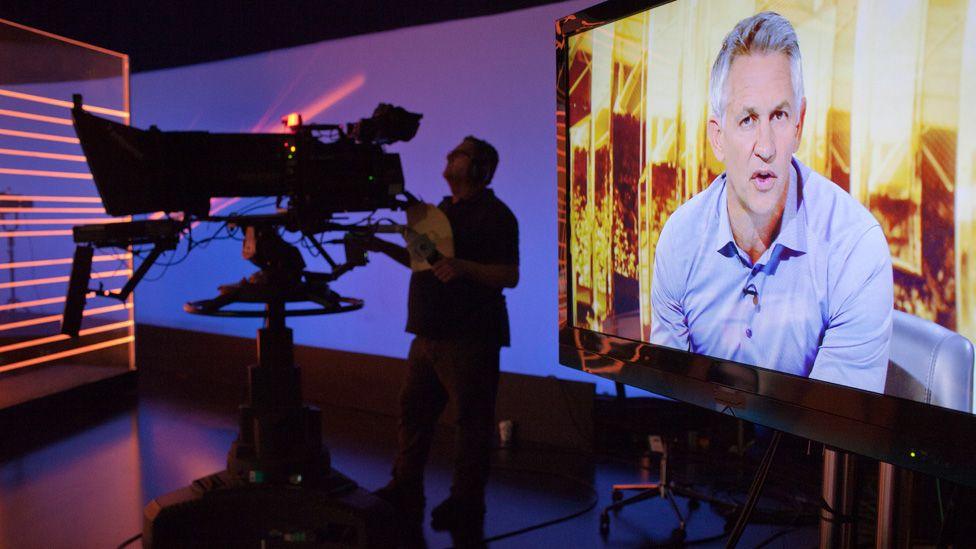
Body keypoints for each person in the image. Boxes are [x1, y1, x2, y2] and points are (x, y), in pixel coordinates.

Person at [649, 11, 893, 393]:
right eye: (747, 119)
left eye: (779, 116)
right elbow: (668, 404)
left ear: (799, 124)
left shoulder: (854, 248)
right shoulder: (680, 242)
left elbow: (835, 434)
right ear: (717, 137)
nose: (765, 146)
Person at [365, 136, 519, 547]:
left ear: (479, 168)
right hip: (427, 334)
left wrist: (462, 266)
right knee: (412, 416)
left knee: (471, 425)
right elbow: (423, 262)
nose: (450, 156)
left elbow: (509, 275)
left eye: (461, 153)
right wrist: (379, 244)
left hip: (470, 337)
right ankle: (405, 489)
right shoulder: (440, 211)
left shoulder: (497, 215)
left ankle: (466, 503)